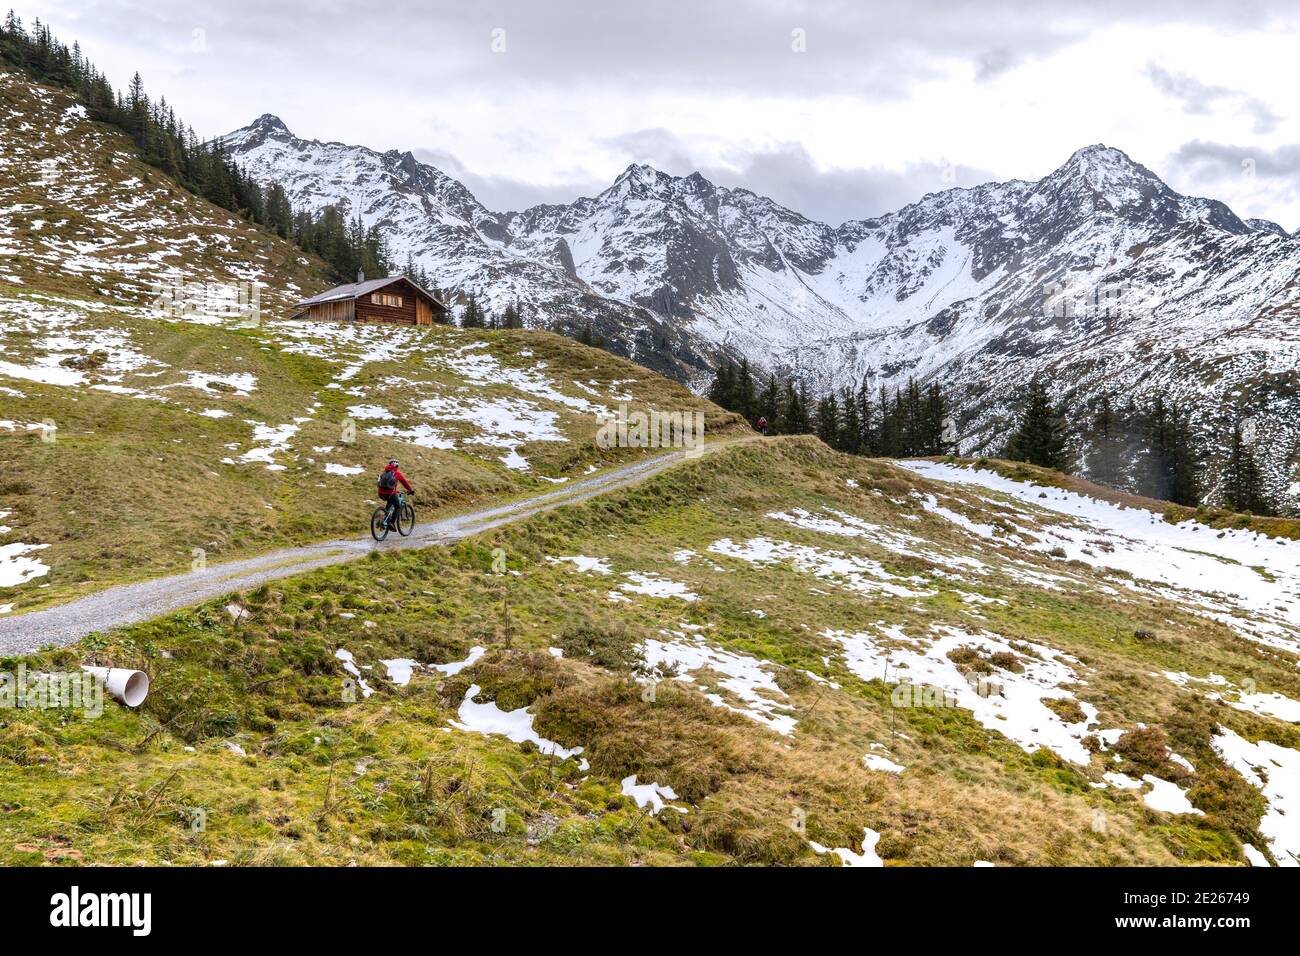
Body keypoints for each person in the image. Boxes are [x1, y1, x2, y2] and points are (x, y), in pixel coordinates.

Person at [377, 458, 413, 529]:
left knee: (390, 503)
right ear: (397, 466)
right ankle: (391, 523)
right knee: (398, 507)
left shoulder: (384, 472)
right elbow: (405, 483)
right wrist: (411, 490)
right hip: (390, 493)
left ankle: (383, 521)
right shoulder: (397, 474)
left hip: (380, 493)